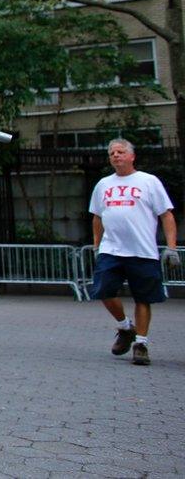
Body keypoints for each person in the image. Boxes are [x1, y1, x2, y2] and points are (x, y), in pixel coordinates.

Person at [88, 138, 179, 366]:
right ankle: (125, 326)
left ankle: (141, 343)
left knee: (143, 297)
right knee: (103, 290)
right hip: (112, 249)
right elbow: (97, 217)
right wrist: (97, 245)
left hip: (142, 250)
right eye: (112, 153)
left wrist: (171, 247)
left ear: (131, 156)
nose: (116, 156)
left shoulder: (148, 182)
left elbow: (166, 215)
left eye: (120, 152)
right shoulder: (103, 185)